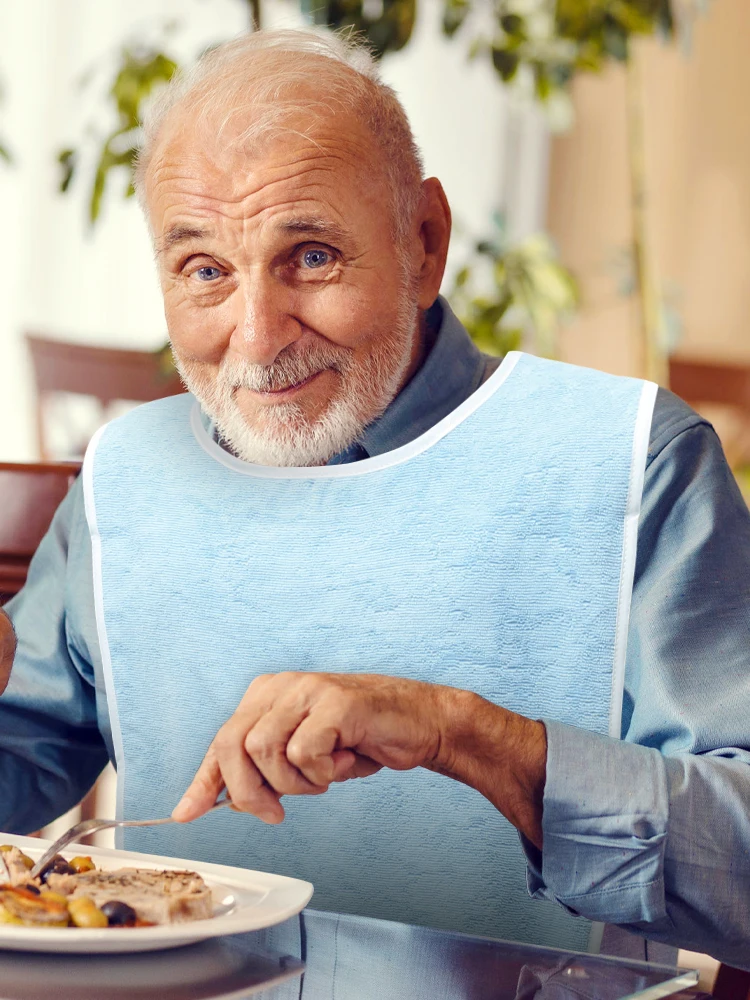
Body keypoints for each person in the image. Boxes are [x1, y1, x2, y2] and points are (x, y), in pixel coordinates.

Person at [2, 28, 750, 974]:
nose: (258, 338)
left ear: (424, 242)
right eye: (205, 271)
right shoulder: (121, 475)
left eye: (311, 257)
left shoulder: (636, 458)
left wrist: (463, 734)